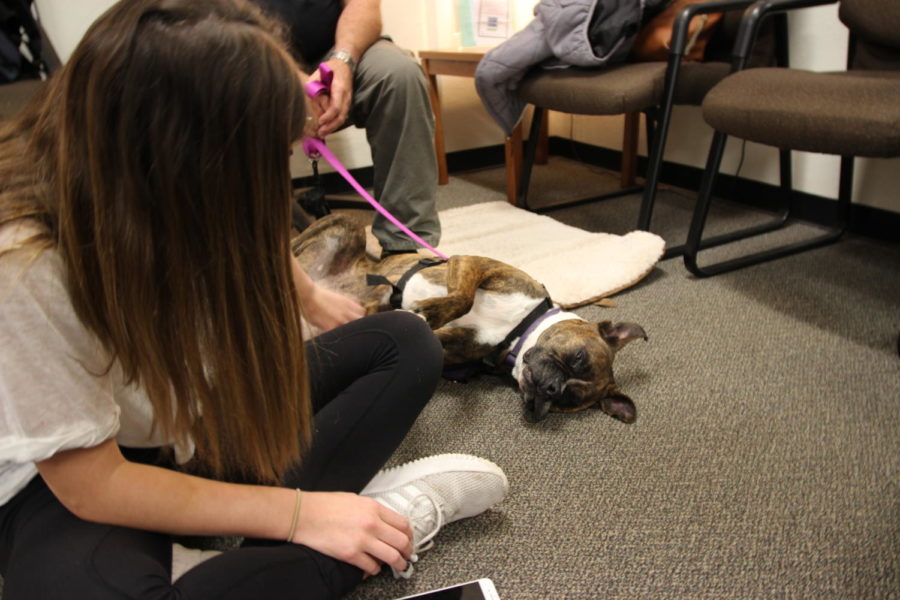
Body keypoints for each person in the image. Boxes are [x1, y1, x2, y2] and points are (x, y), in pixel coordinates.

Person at [0, 1, 507, 598]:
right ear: (181, 161)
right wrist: (300, 517)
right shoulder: (24, 260)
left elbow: (251, 212)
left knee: (404, 342)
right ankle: (382, 521)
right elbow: (92, 486)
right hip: (72, 478)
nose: (268, 192)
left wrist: (312, 298)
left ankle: (259, 551)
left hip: (183, 423)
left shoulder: (163, 176)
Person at [251, 0, 441, 256]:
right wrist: (289, 77)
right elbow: (214, 22)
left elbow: (362, 5)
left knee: (399, 75)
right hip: (251, 58)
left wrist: (342, 60)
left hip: (337, 51)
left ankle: (404, 246)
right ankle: (259, 255)